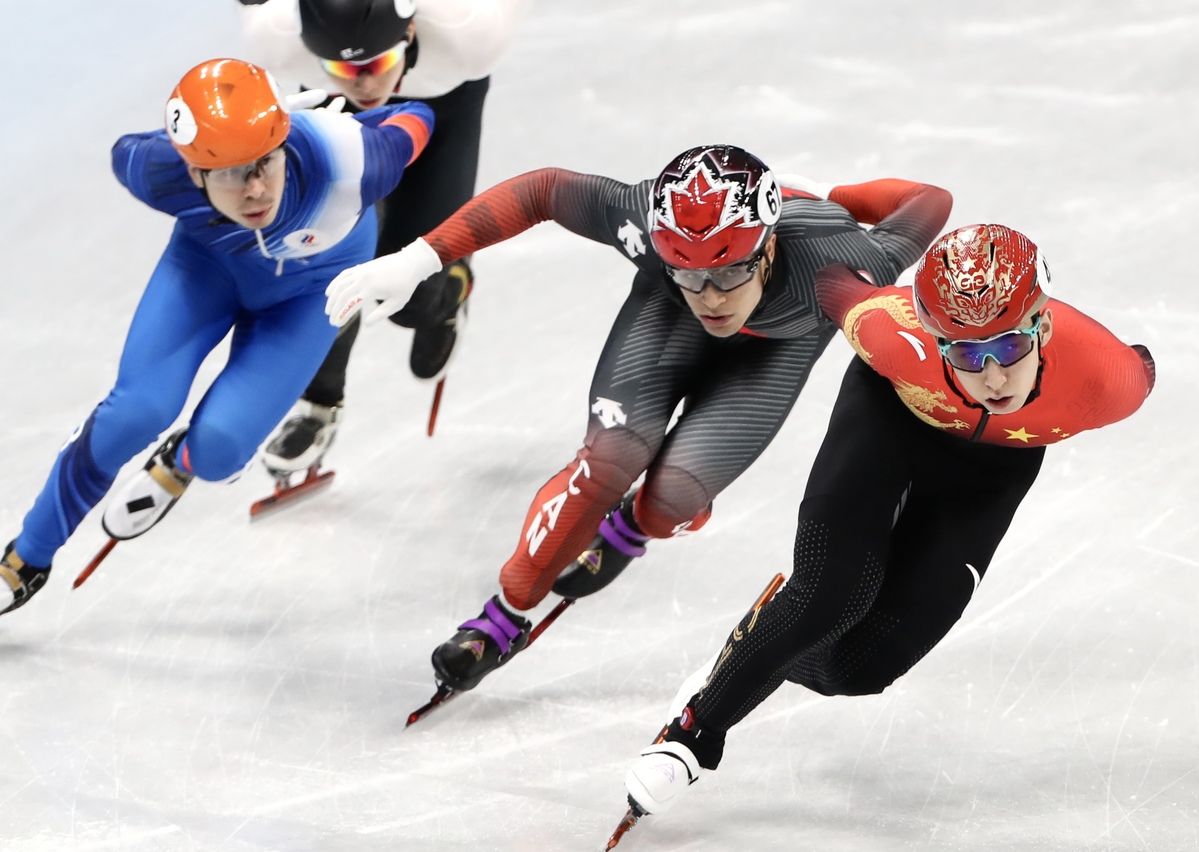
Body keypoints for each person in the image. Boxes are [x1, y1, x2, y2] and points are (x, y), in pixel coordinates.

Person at [322, 145, 953, 693]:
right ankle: (503, 615)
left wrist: (847, 198)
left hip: (779, 349)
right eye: (689, 271)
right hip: (662, 319)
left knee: (673, 493)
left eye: (730, 272)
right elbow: (542, 190)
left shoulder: (840, 262)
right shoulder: (647, 219)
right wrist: (418, 260)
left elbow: (929, 202)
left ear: (767, 249)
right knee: (610, 457)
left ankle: (635, 526)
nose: (710, 296)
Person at [619, 224, 1156, 822]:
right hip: (889, 418)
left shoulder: (1111, 381)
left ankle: (763, 641)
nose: (993, 377)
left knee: (861, 667)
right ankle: (691, 734)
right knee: (832, 591)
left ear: (1044, 326)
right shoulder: (888, 330)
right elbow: (816, 275)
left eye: (1007, 348)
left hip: (991, 472)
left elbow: (1142, 367)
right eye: (966, 353)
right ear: (932, 336)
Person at [0, 58, 434, 615]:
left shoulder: (351, 160)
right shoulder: (157, 169)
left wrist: (349, 117)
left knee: (220, 452)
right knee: (134, 412)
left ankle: (182, 458)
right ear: (193, 172)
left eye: (265, 163)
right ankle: (29, 554)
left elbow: (416, 116)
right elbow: (123, 149)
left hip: (308, 295)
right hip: (207, 268)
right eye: (230, 171)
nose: (255, 189)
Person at [238, 0, 527, 476]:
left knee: (413, 297)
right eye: (343, 68)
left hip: (445, 100)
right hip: (335, 113)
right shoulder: (276, 35)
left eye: (375, 65)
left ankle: (450, 289)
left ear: (410, 31)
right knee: (325, 258)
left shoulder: (470, 31)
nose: (365, 84)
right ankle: (318, 402)